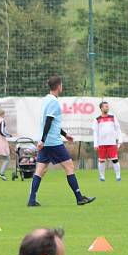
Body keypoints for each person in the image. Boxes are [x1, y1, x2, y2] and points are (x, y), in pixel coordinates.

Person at [27, 76, 95, 207]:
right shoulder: (53, 102)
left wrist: (65, 134)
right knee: (69, 166)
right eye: (61, 85)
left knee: (41, 170)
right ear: (59, 86)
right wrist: (43, 140)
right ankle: (79, 197)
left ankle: (31, 200)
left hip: (47, 141)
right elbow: (48, 121)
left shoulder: (46, 99)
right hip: (52, 142)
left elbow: (52, 123)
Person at [93, 101, 123, 182]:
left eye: (108, 106)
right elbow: (95, 132)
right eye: (105, 106)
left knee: (115, 159)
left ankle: (118, 176)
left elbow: (118, 129)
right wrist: (95, 143)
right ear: (101, 108)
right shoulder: (97, 119)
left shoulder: (113, 117)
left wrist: (120, 140)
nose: (107, 108)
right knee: (101, 160)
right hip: (101, 143)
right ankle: (102, 177)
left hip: (112, 143)